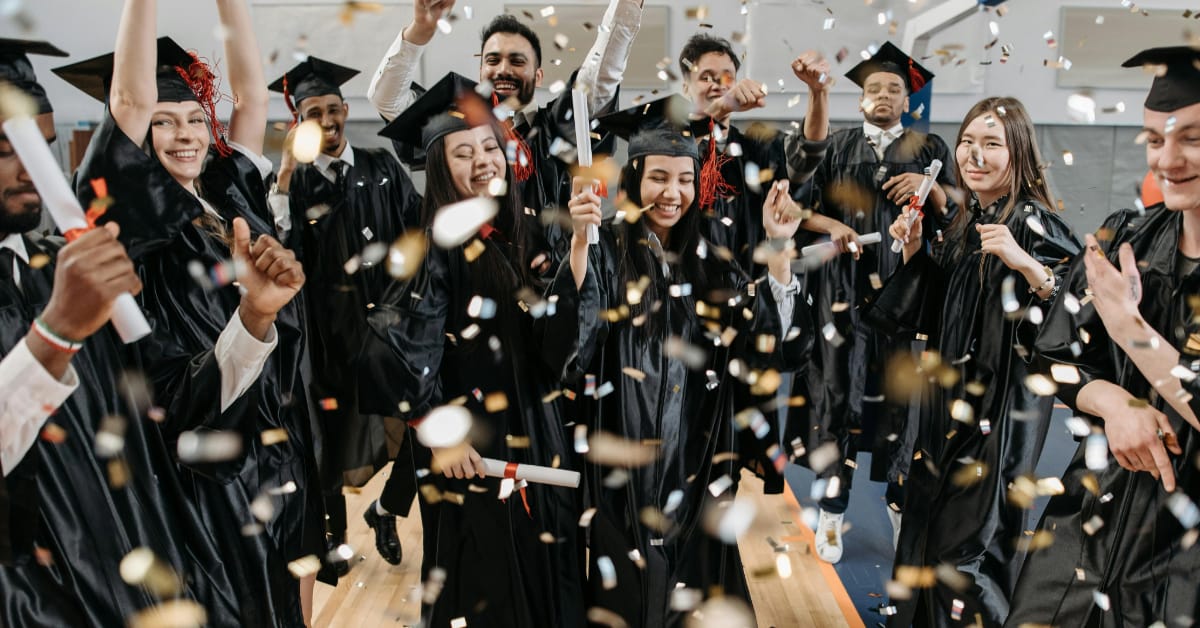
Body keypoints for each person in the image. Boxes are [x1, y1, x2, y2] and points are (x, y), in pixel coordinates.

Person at [56, 1, 321, 623]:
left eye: (196, 119)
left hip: (275, 437)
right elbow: (125, 99)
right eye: (164, 122)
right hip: (206, 453)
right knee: (243, 602)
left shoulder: (226, 192)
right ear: (136, 141)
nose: (186, 135)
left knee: (291, 602)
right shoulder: (132, 221)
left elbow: (253, 100)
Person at [0, 37, 243, 625]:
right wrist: (56, 332)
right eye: (7, 148)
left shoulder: (50, 266)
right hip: (35, 598)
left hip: (134, 562)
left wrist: (253, 320)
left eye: (41, 146)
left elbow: (161, 402)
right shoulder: (61, 291)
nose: (34, 169)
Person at [544, 95, 812, 627]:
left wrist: (780, 250)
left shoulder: (713, 256)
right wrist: (578, 244)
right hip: (620, 457)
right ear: (634, 178)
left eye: (685, 180)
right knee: (625, 588)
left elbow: (766, 344)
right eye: (658, 178)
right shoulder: (603, 248)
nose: (673, 194)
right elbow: (570, 347)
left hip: (697, 456)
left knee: (696, 587)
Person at [358, 71, 581, 627]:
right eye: (463, 153)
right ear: (439, 167)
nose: (483, 160)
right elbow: (395, 347)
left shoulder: (524, 231)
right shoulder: (432, 244)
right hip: (471, 448)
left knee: (540, 569)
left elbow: (559, 342)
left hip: (537, 426)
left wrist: (579, 249)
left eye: (489, 145)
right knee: (481, 585)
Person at [1006, 46, 1200, 627]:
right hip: (1093, 515)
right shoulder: (1128, 239)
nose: (1168, 159)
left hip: (1186, 550)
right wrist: (1117, 403)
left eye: (1192, 137)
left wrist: (1131, 331)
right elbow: (1051, 354)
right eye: (1153, 138)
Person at [876, 96, 1080, 626]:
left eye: (992, 144)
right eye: (967, 141)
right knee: (927, 539)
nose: (974, 154)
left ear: (1019, 154)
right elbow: (929, 313)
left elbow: (1080, 322)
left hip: (1002, 416)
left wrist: (1027, 265)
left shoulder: (1037, 225)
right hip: (947, 408)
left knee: (966, 555)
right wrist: (915, 247)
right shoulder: (968, 222)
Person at [796, 41, 959, 563]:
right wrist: (834, 226)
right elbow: (799, 210)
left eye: (894, 88)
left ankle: (897, 501)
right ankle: (831, 510)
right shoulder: (837, 146)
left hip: (906, 296)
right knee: (834, 395)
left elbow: (959, 214)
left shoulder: (931, 148)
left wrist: (930, 190)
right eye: (873, 89)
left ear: (907, 100)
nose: (884, 95)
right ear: (860, 99)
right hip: (841, 295)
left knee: (904, 403)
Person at [267, 55, 421, 572]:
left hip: (390, 333)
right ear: (298, 122)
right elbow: (280, 250)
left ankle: (388, 509)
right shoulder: (297, 185)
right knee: (325, 442)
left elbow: (416, 236)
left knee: (422, 425)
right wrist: (286, 174)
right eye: (314, 113)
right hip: (328, 338)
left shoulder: (380, 165)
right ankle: (334, 540)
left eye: (334, 108)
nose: (329, 121)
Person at [368, 0, 643, 259]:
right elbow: (387, 100)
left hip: (549, 285)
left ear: (538, 76)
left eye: (517, 61)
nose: (503, 70)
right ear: (480, 72)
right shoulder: (456, 130)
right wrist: (420, 30)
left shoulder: (557, 130)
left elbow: (601, 75)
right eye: (492, 60)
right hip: (468, 283)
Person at [675, 33, 838, 272]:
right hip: (683, 288)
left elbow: (807, 153)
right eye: (706, 77)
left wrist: (818, 92)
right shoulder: (668, 146)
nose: (718, 84)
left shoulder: (757, 149)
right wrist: (721, 107)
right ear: (686, 87)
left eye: (726, 77)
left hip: (750, 288)